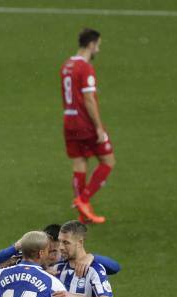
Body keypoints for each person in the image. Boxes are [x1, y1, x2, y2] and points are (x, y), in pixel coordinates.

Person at [61, 28, 116, 225]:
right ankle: (83, 199)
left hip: (69, 121)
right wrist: (99, 127)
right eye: (98, 46)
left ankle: (83, 214)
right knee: (108, 161)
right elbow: (88, 99)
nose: (98, 50)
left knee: (79, 161)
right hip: (85, 123)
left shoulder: (67, 65)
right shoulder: (85, 68)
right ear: (91, 45)